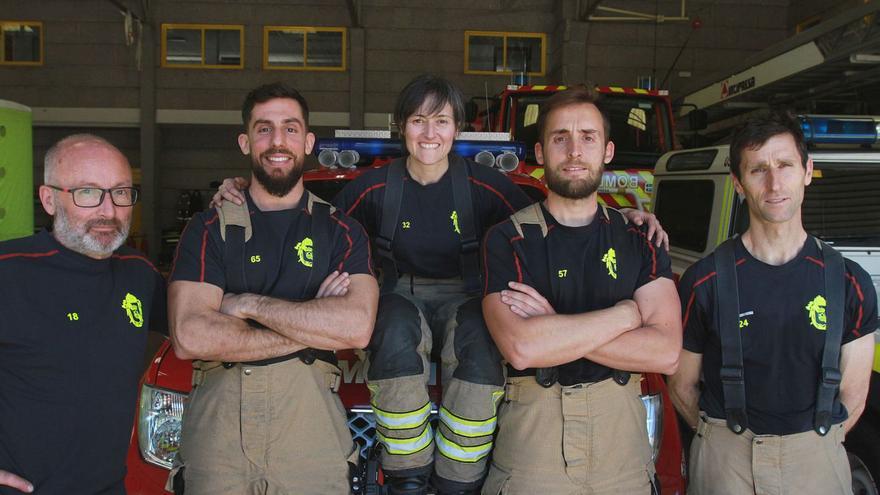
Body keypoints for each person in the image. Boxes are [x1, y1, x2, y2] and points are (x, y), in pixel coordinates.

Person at [216, 75, 668, 495]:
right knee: (390, 328)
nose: (429, 134)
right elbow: (309, 212)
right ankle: (408, 474)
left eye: (441, 121)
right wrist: (243, 186)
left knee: (479, 334)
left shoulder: (486, 187)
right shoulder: (373, 188)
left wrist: (626, 213)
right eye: (417, 121)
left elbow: (558, 209)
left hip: (467, 298)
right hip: (397, 298)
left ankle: (459, 477)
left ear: (456, 130)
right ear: (401, 128)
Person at [168, 82, 378, 494]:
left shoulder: (341, 232)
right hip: (218, 434)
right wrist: (311, 321)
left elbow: (354, 328)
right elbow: (189, 335)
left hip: (311, 431)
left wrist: (246, 304)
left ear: (308, 141)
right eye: (264, 129)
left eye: (291, 128)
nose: (277, 141)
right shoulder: (209, 228)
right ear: (245, 142)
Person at [480, 86, 682, 494]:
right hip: (533, 438)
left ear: (607, 151)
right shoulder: (508, 239)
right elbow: (522, 348)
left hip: (621, 439)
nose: (574, 151)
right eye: (560, 138)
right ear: (540, 152)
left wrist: (552, 327)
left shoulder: (640, 239)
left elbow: (665, 352)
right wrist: (626, 316)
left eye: (587, 137)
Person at [668, 112, 877, 495]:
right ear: (738, 183)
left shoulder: (850, 283)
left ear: (807, 171)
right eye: (758, 170)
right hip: (725, 460)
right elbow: (682, 386)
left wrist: (807, 447)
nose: (775, 183)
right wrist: (724, 442)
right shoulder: (704, 281)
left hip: (817, 460)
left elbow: (854, 393)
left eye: (785, 165)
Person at [0, 134, 166, 494]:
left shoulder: (138, 272)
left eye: (121, 192)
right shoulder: (9, 271)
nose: (108, 211)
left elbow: (198, 318)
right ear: (49, 199)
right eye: (88, 193)